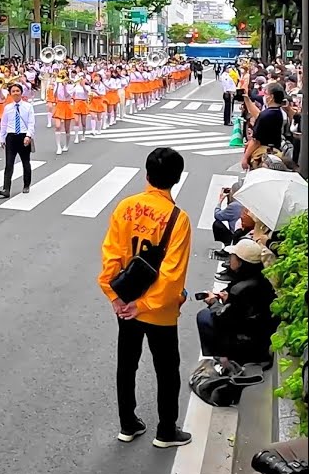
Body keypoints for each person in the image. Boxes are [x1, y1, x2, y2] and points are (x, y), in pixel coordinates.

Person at [97, 147, 193, 449]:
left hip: (125, 305)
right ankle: (165, 431)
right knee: (166, 370)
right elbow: (172, 275)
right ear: (176, 179)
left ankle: (128, 424)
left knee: (127, 365)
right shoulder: (178, 219)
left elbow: (111, 256)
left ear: (147, 174)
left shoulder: (125, 207)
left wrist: (117, 298)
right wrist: (147, 304)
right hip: (160, 311)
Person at [196, 238, 277, 371]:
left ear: (240, 262)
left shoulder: (240, 289)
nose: (229, 258)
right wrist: (228, 299)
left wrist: (213, 302)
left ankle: (225, 359)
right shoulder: (261, 279)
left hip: (247, 340)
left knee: (204, 316)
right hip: (260, 336)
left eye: (232, 256)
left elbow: (223, 318)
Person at [0, 83, 35, 199]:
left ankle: (26, 184)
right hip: (11, 137)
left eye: (17, 91)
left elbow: (31, 123)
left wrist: (28, 136)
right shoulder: (8, 107)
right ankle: (6, 189)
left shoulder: (28, 106)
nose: (15, 93)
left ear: (21, 92)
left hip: (23, 136)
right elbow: (4, 124)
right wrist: (2, 138)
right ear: (10, 93)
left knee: (25, 162)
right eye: (13, 91)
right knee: (9, 164)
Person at [212, 180, 245, 246]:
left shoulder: (234, 206)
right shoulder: (248, 202)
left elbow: (217, 215)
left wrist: (220, 200)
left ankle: (228, 245)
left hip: (236, 236)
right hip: (247, 233)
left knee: (217, 224)